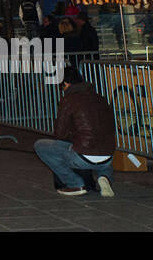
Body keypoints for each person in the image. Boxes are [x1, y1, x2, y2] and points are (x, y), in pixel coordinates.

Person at [34, 65, 116, 197]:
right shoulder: (100, 98)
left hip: (83, 155)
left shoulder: (69, 100)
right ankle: (104, 177)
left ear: (66, 83)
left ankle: (74, 183)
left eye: (62, 86)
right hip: (108, 156)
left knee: (40, 146)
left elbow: (59, 134)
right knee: (101, 157)